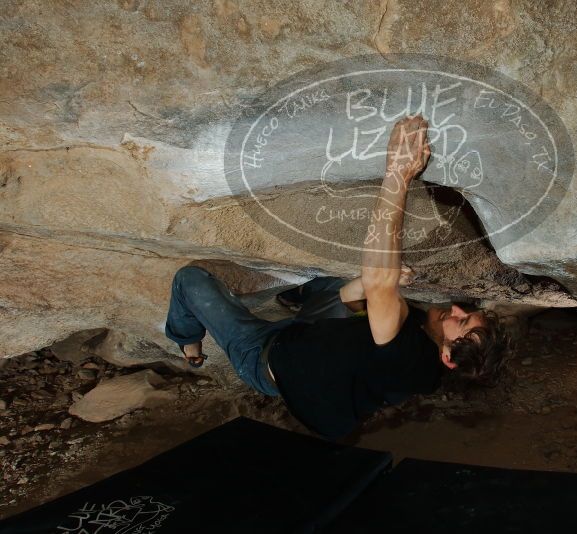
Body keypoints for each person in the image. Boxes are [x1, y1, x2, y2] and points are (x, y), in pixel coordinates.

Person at [164, 115, 508, 440]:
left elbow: (377, 279)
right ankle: (295, 298)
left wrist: (398, 175)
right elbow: (352, 298)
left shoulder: (409, 359)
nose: (457, 311)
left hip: (268, 357)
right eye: (467, 312)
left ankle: (189, 343)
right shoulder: (422, 334)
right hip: (314, 339)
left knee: (190, 280)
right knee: (336, 285)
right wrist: (375, 287)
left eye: (461, 324)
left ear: (447, 357)